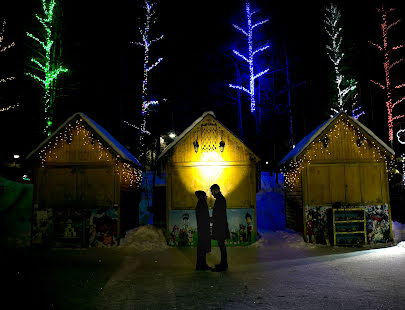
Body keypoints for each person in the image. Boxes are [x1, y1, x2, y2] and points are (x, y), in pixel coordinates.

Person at [210, 184, 230, 272]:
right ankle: (223, 263)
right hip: (221, 226)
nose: (212, 193)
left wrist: (212, 219)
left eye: (212, 191)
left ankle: (224, 265)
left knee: (222, 246)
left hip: (220, 227)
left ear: (216, 190)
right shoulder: (220, 199)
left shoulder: (220, 200)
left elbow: (219, 215)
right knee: (221, 246)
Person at [195, 190, 212, 271]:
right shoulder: (203, 204)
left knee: (201, 248)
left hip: (201, 229)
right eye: (205, 196)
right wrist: (211, 219)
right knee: (203, 248)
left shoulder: (199, 204)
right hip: (204, 229)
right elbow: (204, 217)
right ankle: (202, 265)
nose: (206, 197)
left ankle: (200, 264)